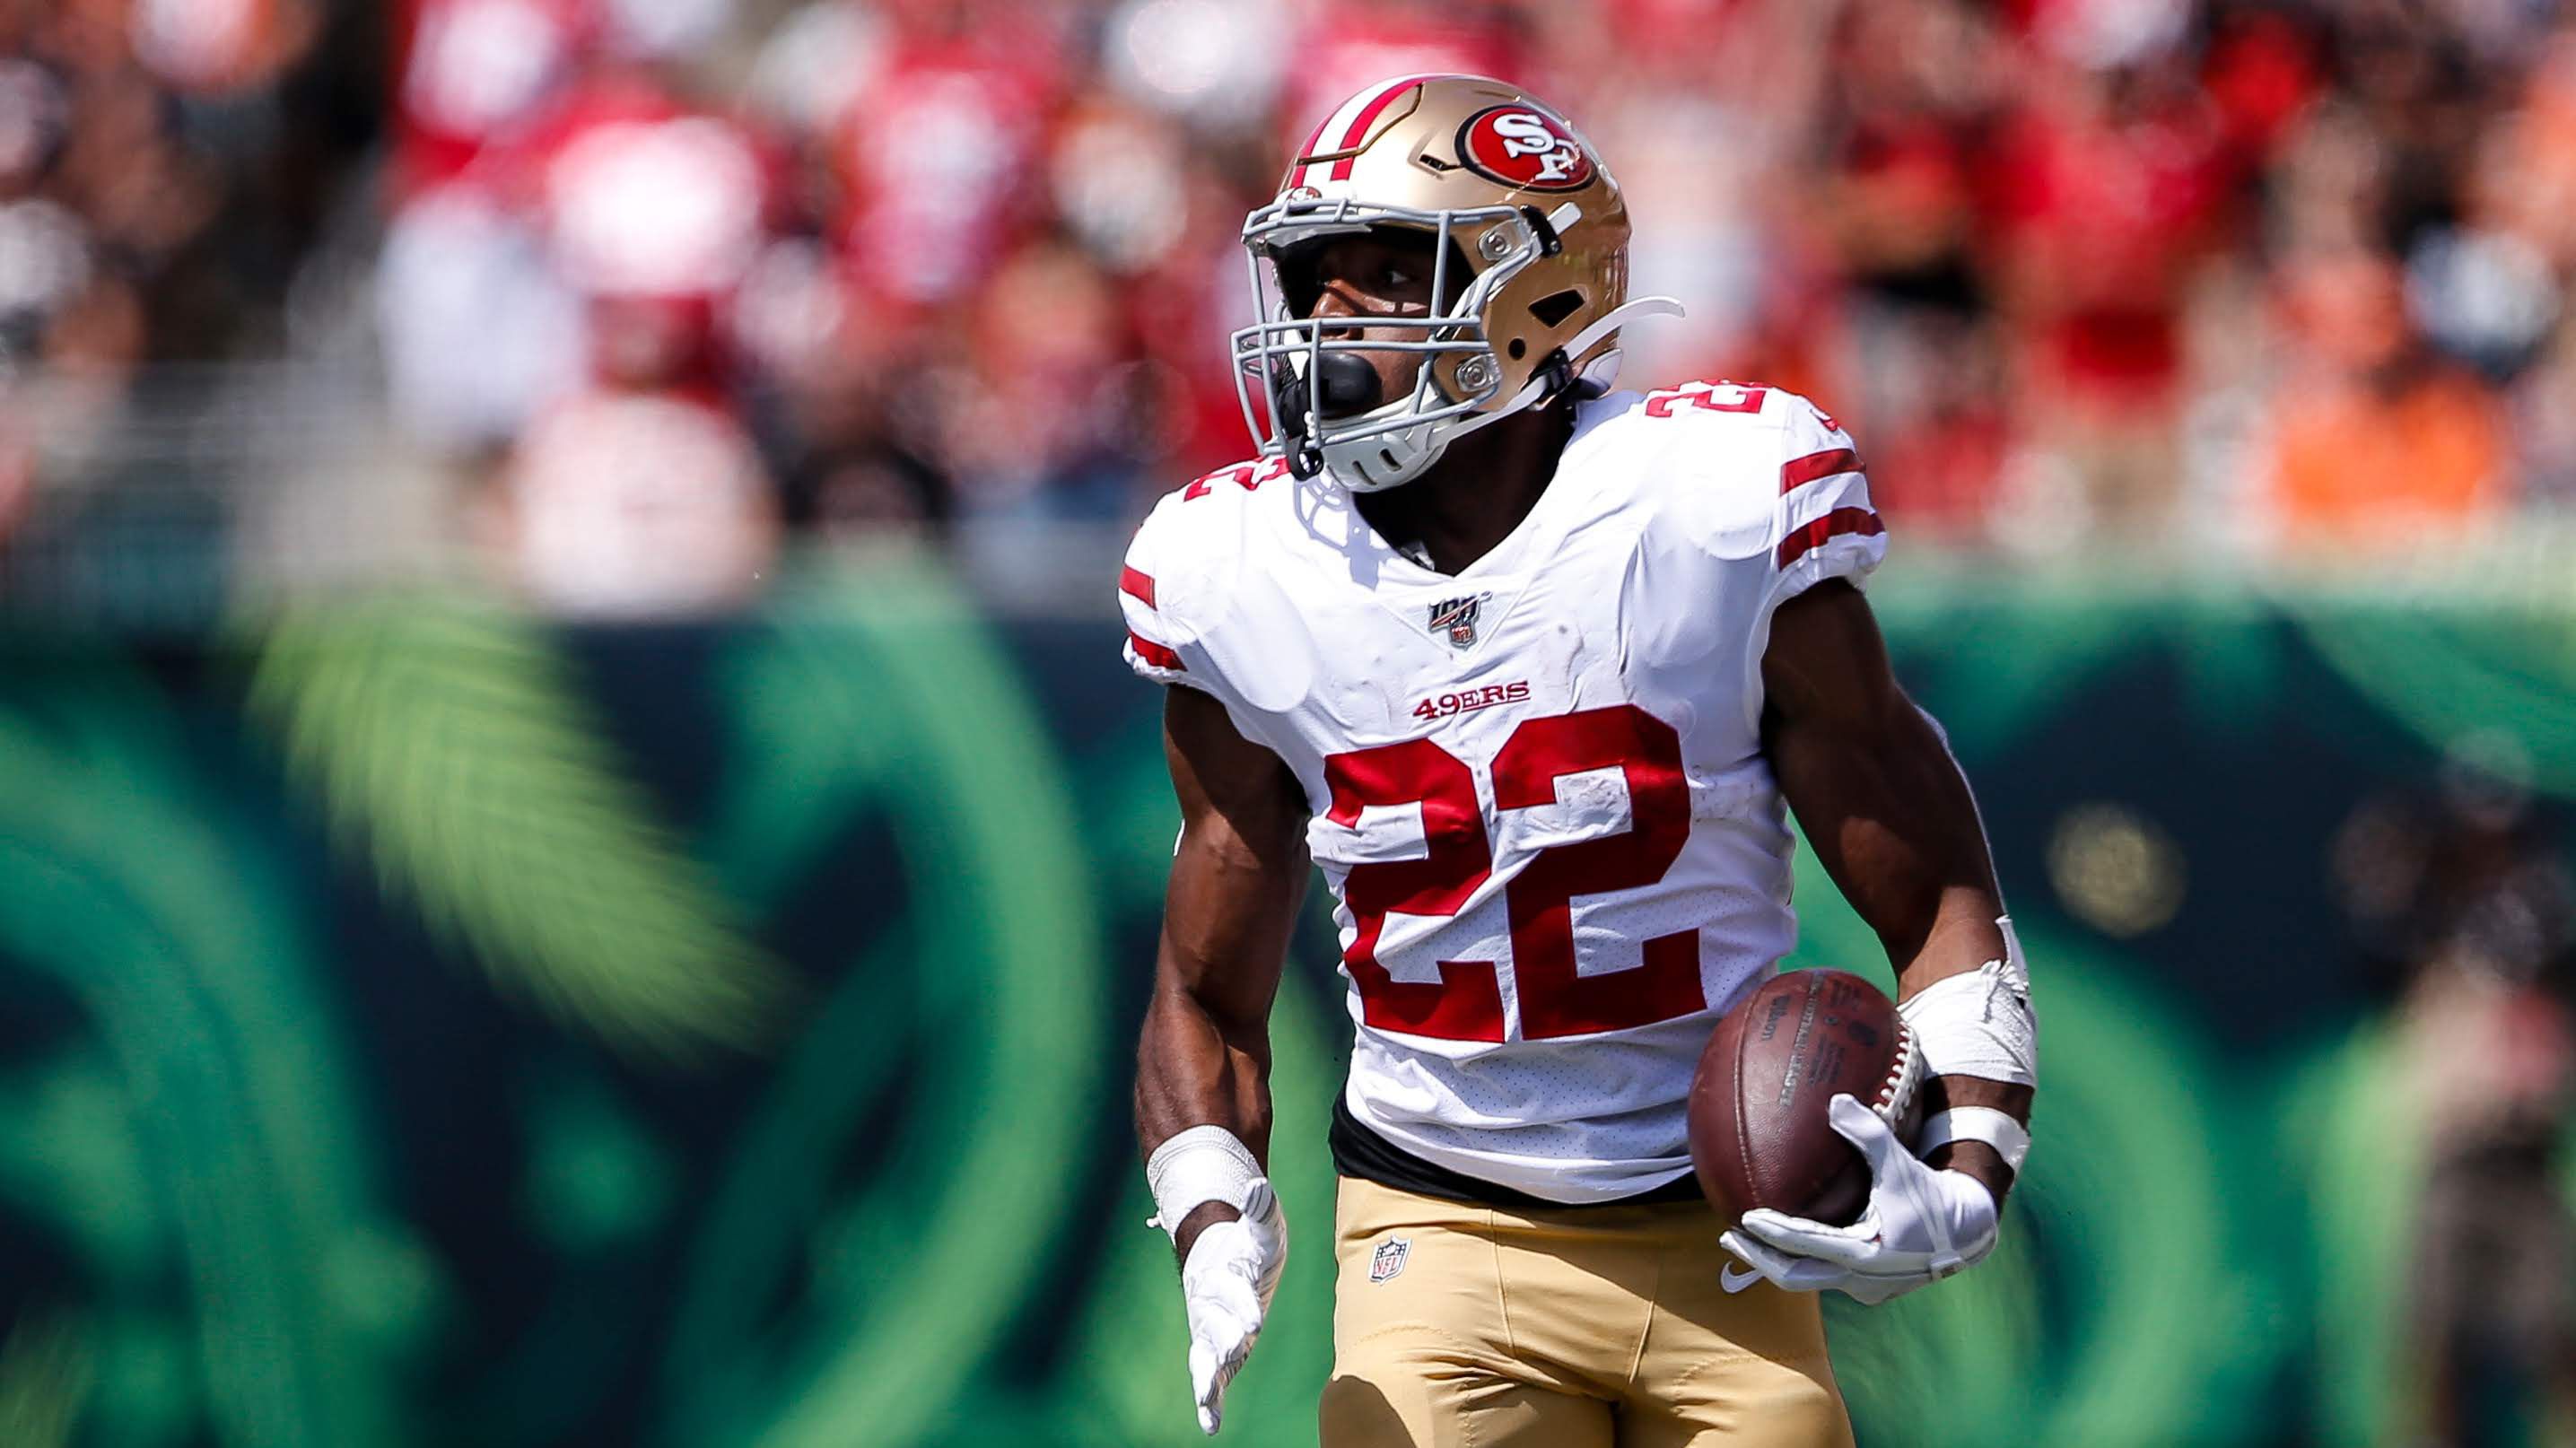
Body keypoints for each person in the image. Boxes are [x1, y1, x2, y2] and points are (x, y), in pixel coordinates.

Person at [1120, 74, 2039, 1446]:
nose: (1321, 328)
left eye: (1378, 277)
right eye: (1308, 286)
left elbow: (1939, 889)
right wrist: (1208, 1208)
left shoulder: (1707, 512)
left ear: (1531, 294)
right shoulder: (1243, 571)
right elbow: (1202, 983)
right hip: (1435, 1216)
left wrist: (1970, 1169)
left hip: (1730, 1226)